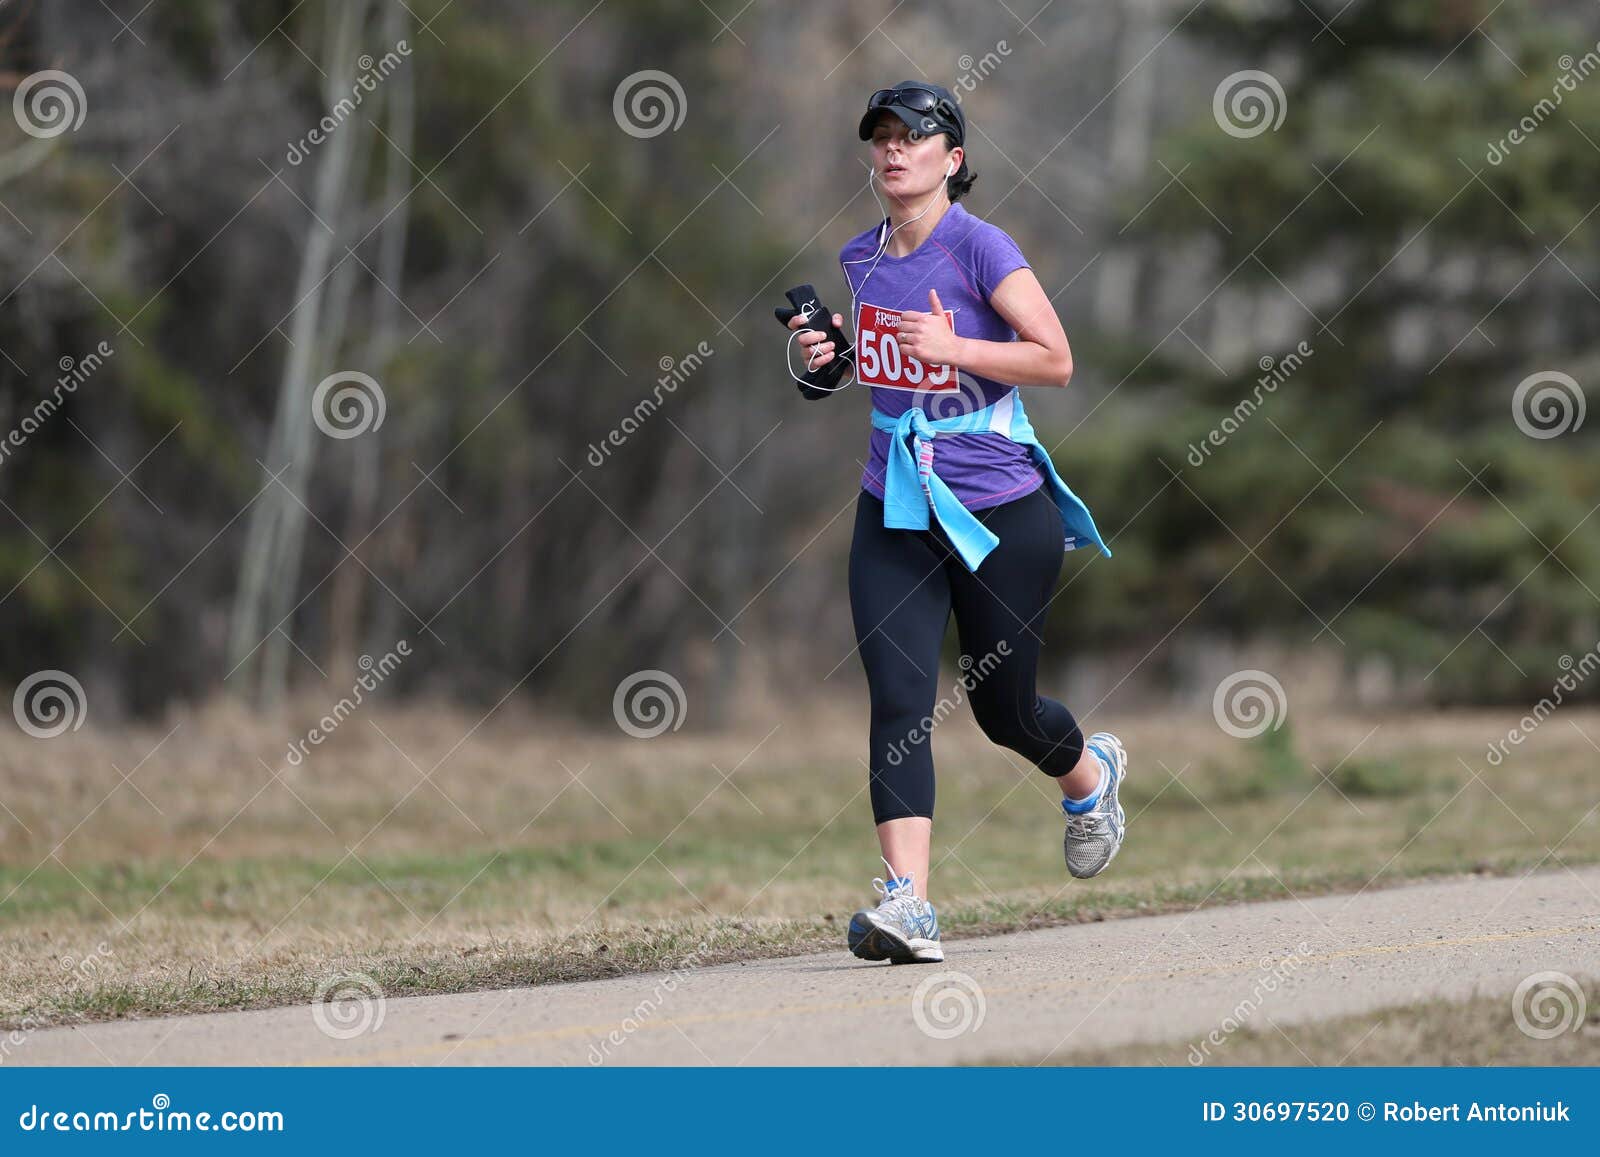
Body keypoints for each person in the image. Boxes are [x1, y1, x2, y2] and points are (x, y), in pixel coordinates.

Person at [786, 81, 1130, 965]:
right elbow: (873, 372)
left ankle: (1089, 776)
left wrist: (958, 349)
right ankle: (910, 905)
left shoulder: (984, 249)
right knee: (899, 699)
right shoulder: (860, 258)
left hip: (999, 512)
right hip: (895, 506)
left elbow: (1054, 360)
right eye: (882, 137)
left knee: (1003, 710)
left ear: (954, 157)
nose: (895, 150)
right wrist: (821, 360)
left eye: (915, 136)